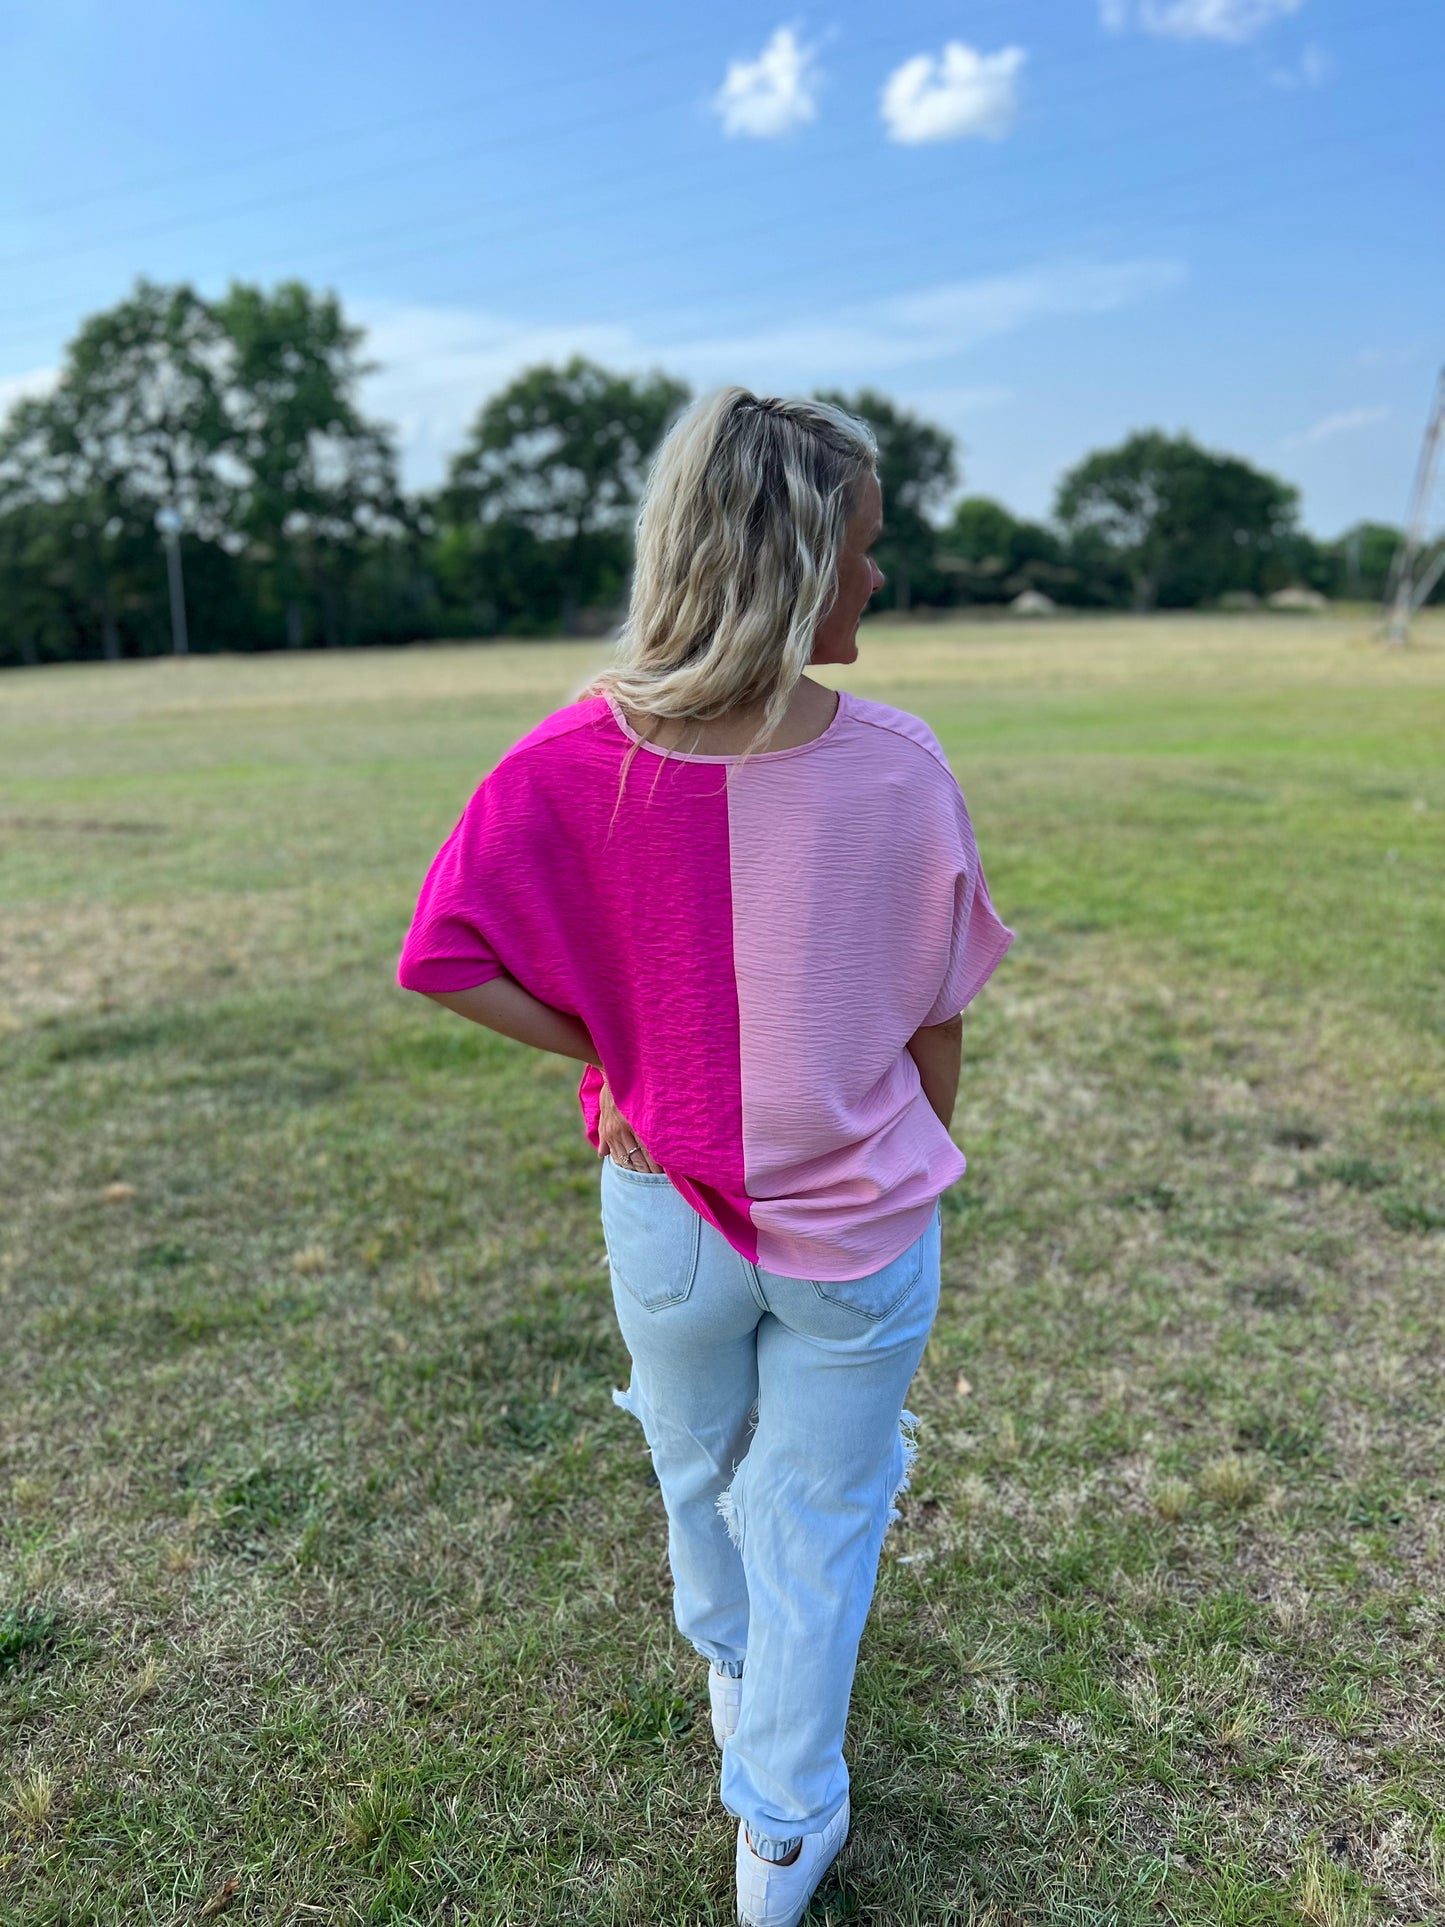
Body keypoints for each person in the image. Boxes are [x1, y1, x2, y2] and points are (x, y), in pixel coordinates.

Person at [395, 387, 1015, 1927]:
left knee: (697, 1463)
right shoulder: (893, 761)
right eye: (866, 550)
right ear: (801, 560)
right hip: (860, 1223)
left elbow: (447, 960)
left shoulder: (567, 761)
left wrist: (609, 1050)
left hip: (663, 1206)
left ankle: (733, 1674)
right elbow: (938, 1017)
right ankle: (783, 1826)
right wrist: (930, 1143)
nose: (880, 579)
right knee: (821, 1506)